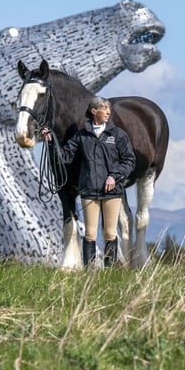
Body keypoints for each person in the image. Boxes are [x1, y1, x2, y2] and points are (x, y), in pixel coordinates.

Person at [42, 97, 135, 267]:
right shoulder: (82, 135)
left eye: (109, 109)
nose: (108, 112)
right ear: (94, 112)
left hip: (112, 192)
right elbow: (65, 156)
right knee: (90, 234)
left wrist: (114, 176)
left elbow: (129, 160)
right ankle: (90, 273)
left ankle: (109, 272)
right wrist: (51, 143)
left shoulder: (118, 135)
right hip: (89, 191)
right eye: (104, 108)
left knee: (109, 233)